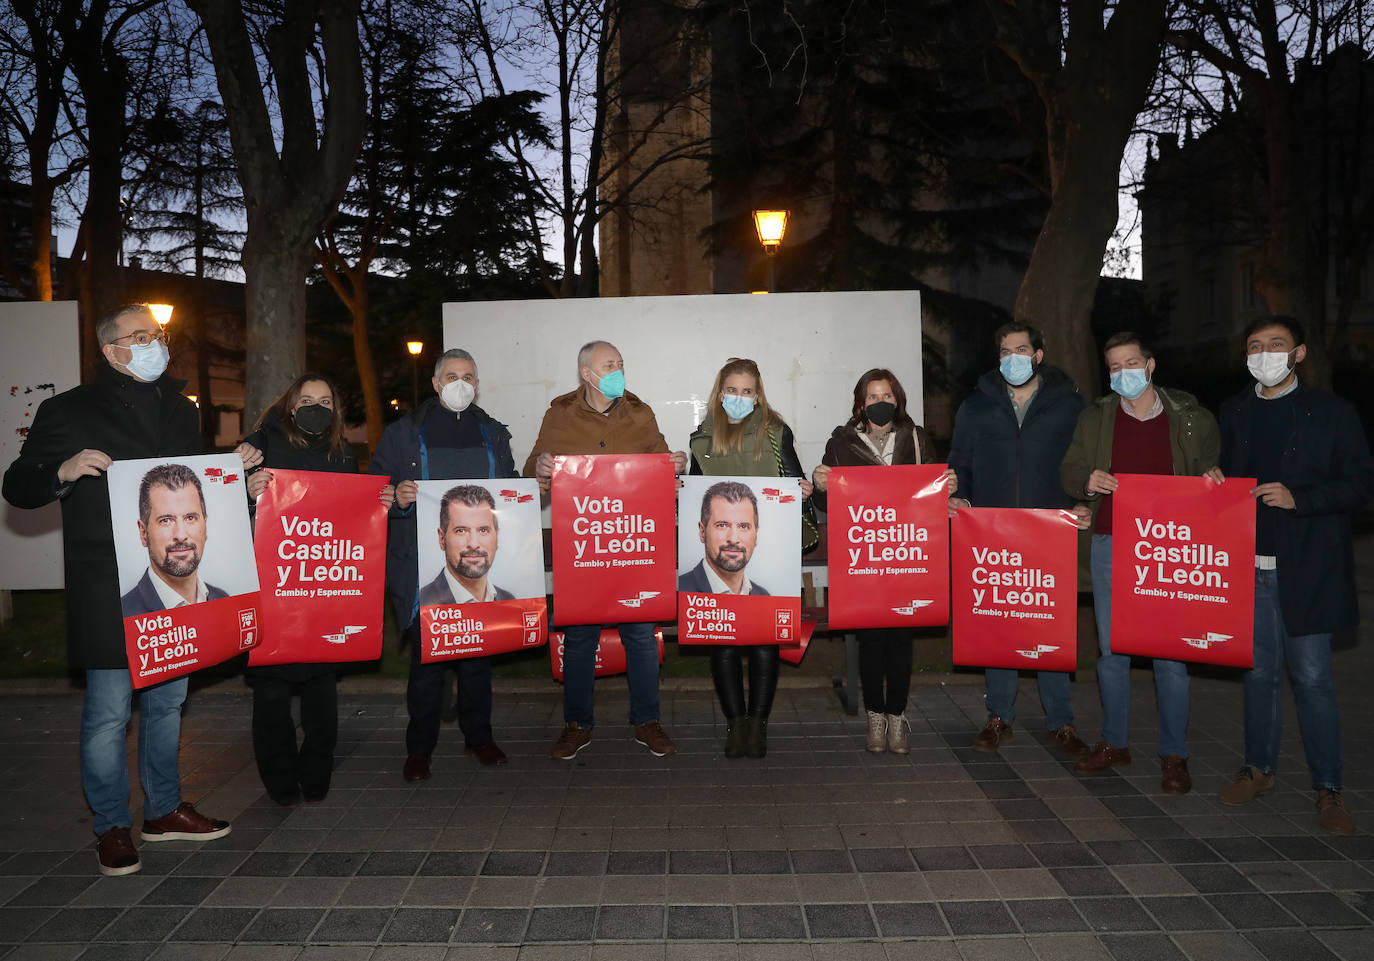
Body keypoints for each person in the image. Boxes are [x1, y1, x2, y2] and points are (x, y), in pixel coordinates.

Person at [3, 304, 250, 876]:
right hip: (107, 584)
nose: (152, 343)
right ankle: (112, 826)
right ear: (110, 351)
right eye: (138, 336)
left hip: (173, 583)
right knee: (109, 714)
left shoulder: (181, 408)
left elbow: (191, 480)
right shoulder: (67, 410)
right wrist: (62, 471)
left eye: (155, 334)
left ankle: (163, 811)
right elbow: (17, 485)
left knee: (168, 703)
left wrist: (236, 474)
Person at [1214, 316, 1374, 834]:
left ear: (1298, 353)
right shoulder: (1234, 412)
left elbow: (1361, 485)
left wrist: (1300, 499)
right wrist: (1212, 478)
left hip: (1308, 569)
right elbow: (1221, 476)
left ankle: (1329, 788)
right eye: (1255, 345)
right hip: (1248, 568)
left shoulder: (1332, 413)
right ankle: (1258, 769)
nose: (1264, 353)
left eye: (1276, 344)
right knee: (1258, 675)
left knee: (1312, 679)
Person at [1060, 331, 1220, 794]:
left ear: (1150, 365)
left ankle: (1174, 755)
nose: (1123, 373)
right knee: (1113, 652)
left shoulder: (1191, 418)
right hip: (1112, 543)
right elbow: (1069, 471)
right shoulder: (1096, 418)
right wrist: (1086, 482)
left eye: (1131, 363)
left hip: (1170, 549)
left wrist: (1214, 479)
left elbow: (1211, 471)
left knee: (1170, 655)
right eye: (1114, 367)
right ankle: (1115, 743)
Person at [525, 340, 688, 760]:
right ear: (586, 373)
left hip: (632, 544)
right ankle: (577, 724)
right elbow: (532, 472)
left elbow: (662, 466)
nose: (617, 370)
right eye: (608, 364)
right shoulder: (559, 415)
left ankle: (647, 721)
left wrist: (677, 465)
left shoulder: (640, 412)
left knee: (641, 635)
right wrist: (540, 468)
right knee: (580, 637)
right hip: (583, 548)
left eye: (620, 363)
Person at [242, 373, 394, 806]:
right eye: (307, 400)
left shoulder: (341, 453)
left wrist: (377, 505)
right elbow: (221, 507)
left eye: (326, 401)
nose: (317, 408)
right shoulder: (259, 446)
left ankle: (316, 771)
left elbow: (349, 516)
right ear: (290, 406)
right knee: (272, 695)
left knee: (322, 693)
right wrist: (248, 493)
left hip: (325, 591)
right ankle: (279, 779)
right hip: (274, 590)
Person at [945, 325, 1090, 759]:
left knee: (1050, 621)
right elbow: (960, 463)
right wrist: (959, 496)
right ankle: (998, 716)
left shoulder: (1070, 406)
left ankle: (1060, 721)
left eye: (1022, 349)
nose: (1013, 358)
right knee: (1000, 620)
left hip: (1050, 532)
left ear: (1039, 355)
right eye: (1006, 351)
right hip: (994, 534)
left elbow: (1084, 463)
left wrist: (1082, 502)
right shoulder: (976, 406)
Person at [371, 349, 517, 776]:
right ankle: (419, 748)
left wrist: (528, 493)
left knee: (478, 660)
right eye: (452, 376)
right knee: (427, 664)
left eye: (468, 376)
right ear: (436, 383)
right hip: (423, 567)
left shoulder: (493, 433)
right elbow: (376, 492)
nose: (460, 384)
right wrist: (398, 499)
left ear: (477, 384)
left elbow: (507, 489)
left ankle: (479, 737)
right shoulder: (403, 433)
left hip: (478, 567)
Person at [813, 367, 954, 755]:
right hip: (866, 561)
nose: (880, 402)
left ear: (898, 400)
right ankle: (875, 717)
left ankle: (897, 717)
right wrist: (821, 484)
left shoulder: (916, 438)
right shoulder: (841, 443)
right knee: (872, 641)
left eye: (887, 396)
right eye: (873, 396)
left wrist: (949, 488)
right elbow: (826, 501)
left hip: (906, 556)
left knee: (901, 642)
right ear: (861, 403)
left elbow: (932, 491)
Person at [687, 360, 814, 758]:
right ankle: (735, 723)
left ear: (757, 395)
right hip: (720, 556)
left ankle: (758, 724)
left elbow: (794, 478)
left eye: (746, 391)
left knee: (765, 642)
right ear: (719, 392)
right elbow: (695, 491)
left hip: (769, 552)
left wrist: (803, 490)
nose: (738, 398)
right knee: (722, 641)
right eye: (731, 390)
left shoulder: (775, 432)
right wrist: (679, 488)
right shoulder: (702, 438)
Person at [120, 464, 229, 616]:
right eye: (166, 520)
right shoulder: (123, 614)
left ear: (205, 525)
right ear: (143, 533)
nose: (181, 535)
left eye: (190, 518)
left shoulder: (224, 600)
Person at [420, 485, 516, 605]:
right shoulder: (422, 603)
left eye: (483, 530)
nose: (473, 544)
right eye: (461, 531)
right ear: (442, 539)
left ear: (496, 537)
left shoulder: (510, 601)